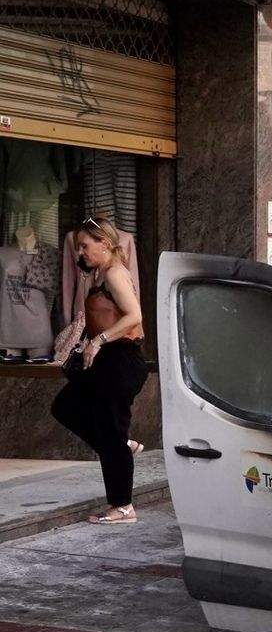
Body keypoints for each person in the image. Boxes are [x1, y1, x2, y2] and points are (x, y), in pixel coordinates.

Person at [50, 216, 148, 525]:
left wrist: (99, 340)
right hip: (106, 360)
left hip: (121, 360)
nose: (80, 252)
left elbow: (134, 315)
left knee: (111, 431)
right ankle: (122, 446)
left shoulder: (115, 273)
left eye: (84, 246)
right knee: (65, 406)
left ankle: (123, 507)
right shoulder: (101, 273)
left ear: (104, 243)